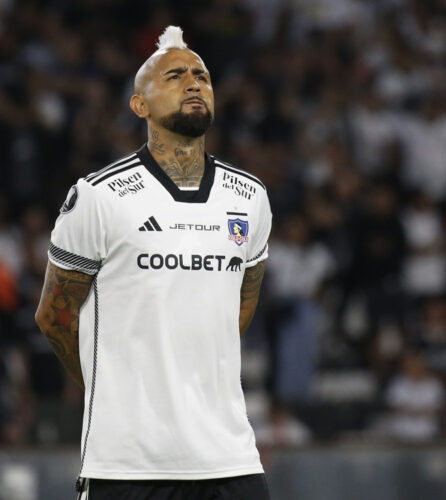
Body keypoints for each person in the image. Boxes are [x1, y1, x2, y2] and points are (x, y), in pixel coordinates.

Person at [34, 26, 272, 499]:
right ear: (139, 106)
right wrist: (114, 386)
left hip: (230, 460)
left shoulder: (250, 197)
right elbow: (54, 316)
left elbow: (238, 310)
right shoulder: (99, 196)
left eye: (202, 76)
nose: (193, 83)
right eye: (175, 76)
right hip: (127, 466)